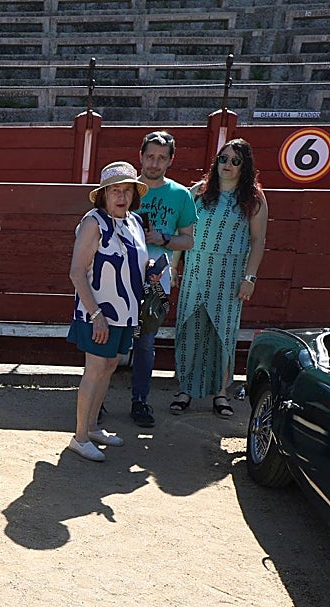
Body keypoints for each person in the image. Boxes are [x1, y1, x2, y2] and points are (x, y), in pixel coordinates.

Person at [66, 161, 159, 462]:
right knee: (94, 369)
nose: (121, 196)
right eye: (115, 190)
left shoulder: (134, 222)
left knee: (109, 367)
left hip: (125, 312)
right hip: (99, 314)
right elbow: (77, 273)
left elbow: (137, 263)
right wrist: (96, 315)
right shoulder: (94, 222)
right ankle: (79, 437)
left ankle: (93, 427)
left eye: (127, 190)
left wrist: (152, 273)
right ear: (103, 194)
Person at [171, 138, 268, 418]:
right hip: (196, 270)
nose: (228, 165)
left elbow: (258, 240)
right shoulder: (198, 192)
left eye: (235, 161)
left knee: (223, 333)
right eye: (224, 159)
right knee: (190, 329)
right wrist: (174, 266)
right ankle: (185, 389)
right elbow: (183, 231)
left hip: (229, 275)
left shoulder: (254, 197)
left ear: (244, 166)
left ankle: (220, 393)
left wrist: (250, 277)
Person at [131, 131, 196, 428]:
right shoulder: (126, 188)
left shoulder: (180, 195)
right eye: (150, 156)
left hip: (157, 272)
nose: (154, 163)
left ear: (170, 161)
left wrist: (163, 238)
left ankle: (140, 400)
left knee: (145, 340)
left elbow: (188, 242)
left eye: (161, 158)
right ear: (141, 156)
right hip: (123, 269)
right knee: (113, 339)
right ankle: (99, 401)